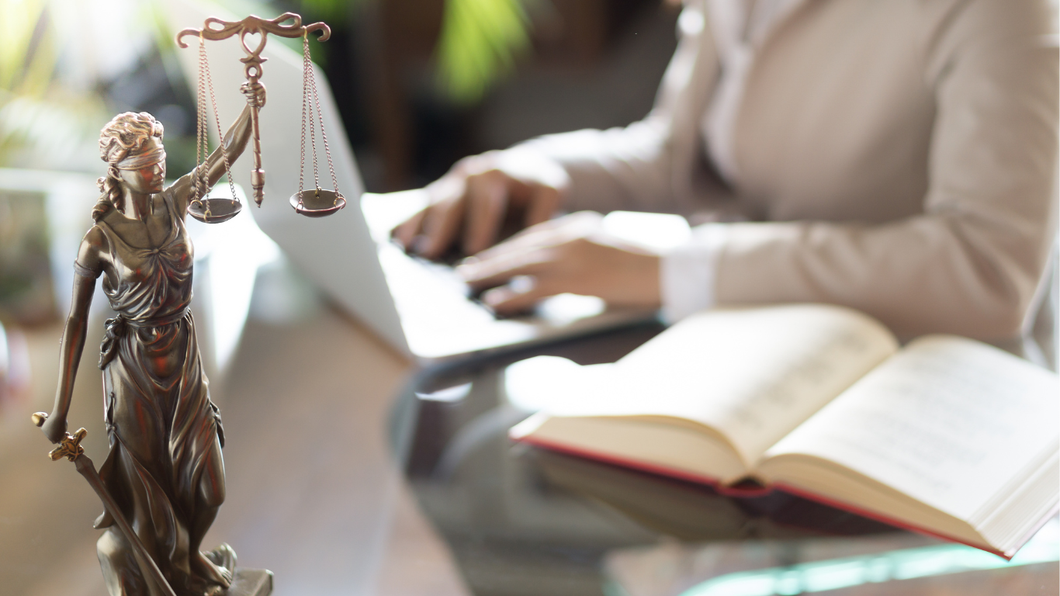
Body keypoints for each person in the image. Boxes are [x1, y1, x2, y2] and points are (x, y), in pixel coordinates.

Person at [394, 0, 1058, 341]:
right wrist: (540, 169)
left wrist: (670, 268)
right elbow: (685, 155)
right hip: (744, 349)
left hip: (924, 382)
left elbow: (991, 269)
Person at [40, 84, 265, 595]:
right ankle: (177, 571)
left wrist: (250, 102)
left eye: (161, 158)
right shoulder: (98, 240)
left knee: (209, 486)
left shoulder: (176, 201)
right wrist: (58, 408)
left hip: (183, 359)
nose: (159, 169)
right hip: (134, 369)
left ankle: (187, 559)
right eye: (147, 162)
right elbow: (75, 323)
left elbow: (225, 153)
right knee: (152, 502)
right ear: (118, 169)